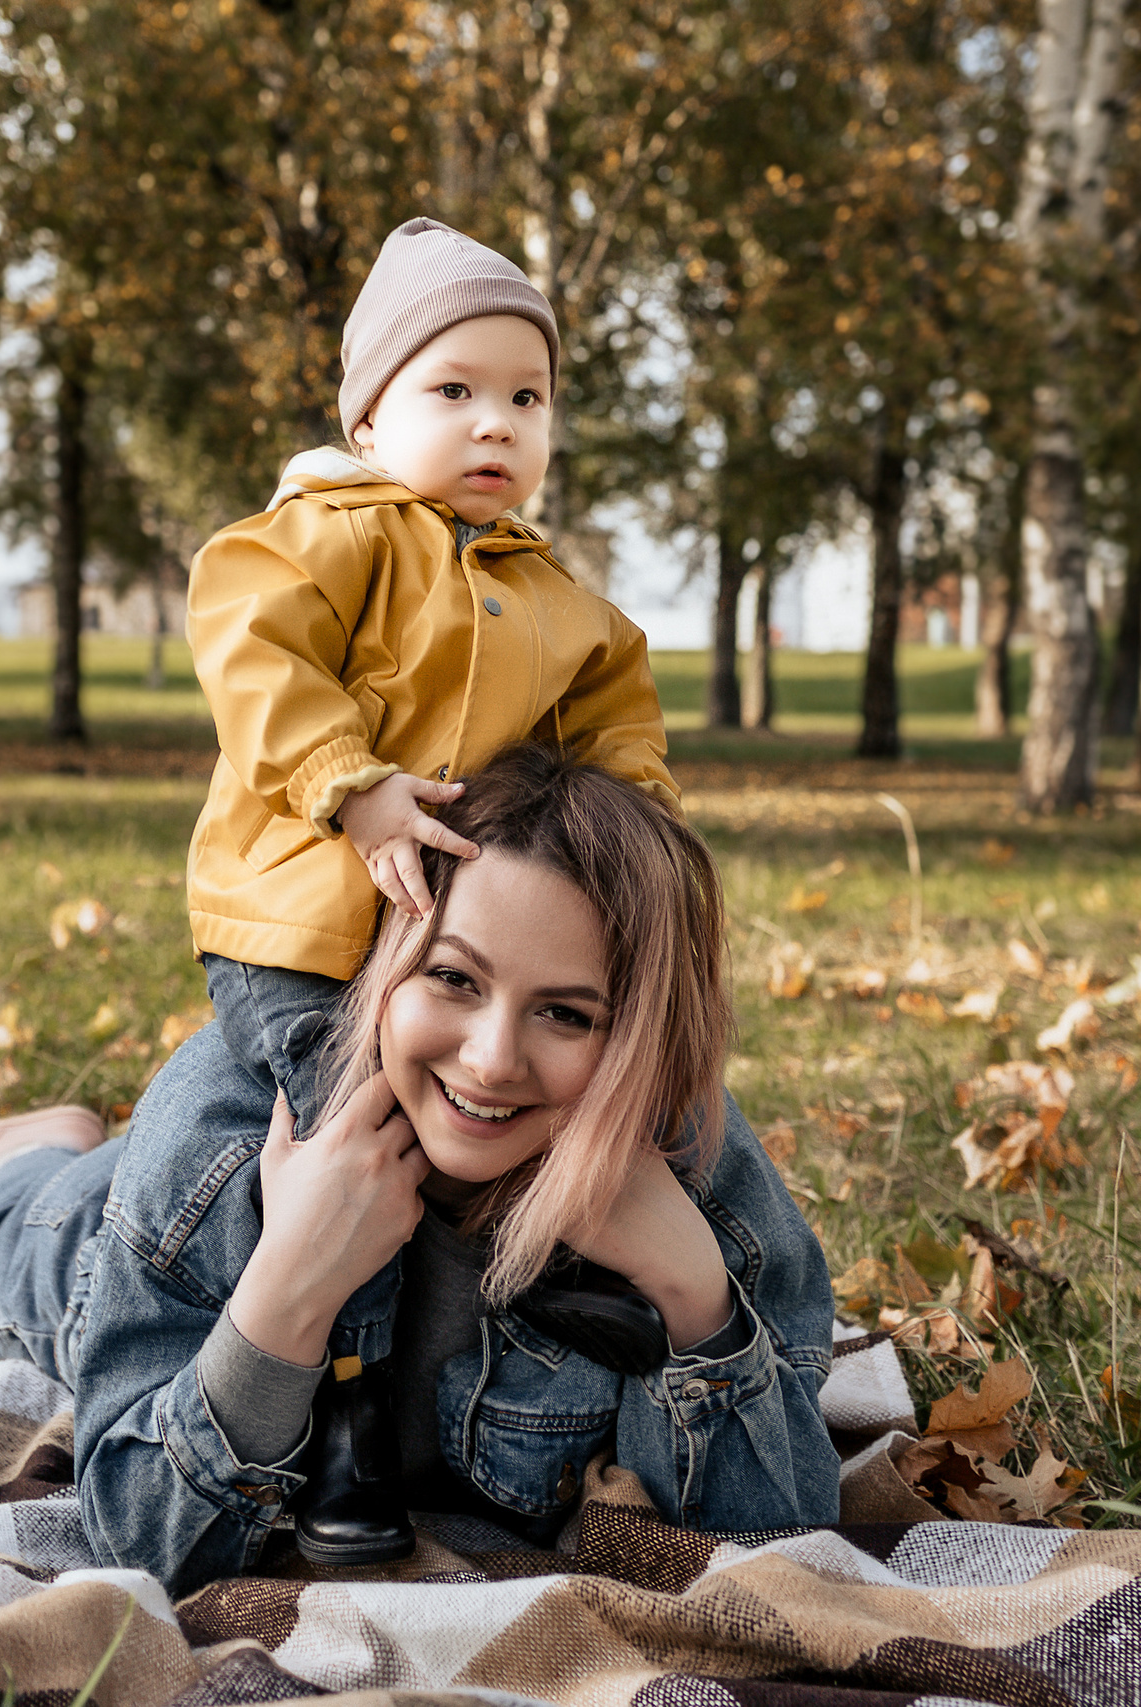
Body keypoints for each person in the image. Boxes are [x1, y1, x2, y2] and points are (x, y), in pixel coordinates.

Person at [0, 746, 840, 1595]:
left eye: (566, 1014)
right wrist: (289, 1286)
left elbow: (781, 1546)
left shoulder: (689, 1159)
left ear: (633, 1036)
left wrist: (696, 1297)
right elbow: (142, 1536)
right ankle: (33, 1150)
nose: (492, 1060)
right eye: (453, 978)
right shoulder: (223, 1129)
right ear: (382, 961)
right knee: (17, 1230)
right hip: (89, 1248)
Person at [179, 216, 681, 1553]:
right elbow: (249, 638)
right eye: (452, 389)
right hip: (306, 925)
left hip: (460, 943)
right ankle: (344, 1403)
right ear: (368, 418)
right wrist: (349, 780)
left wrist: (633, 824)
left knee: (528, 1078)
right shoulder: (334, 532)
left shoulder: (547, 591)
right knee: (356, 1132)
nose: (494, 422)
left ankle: (546, 1265)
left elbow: (617, 711)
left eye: (527, 397)